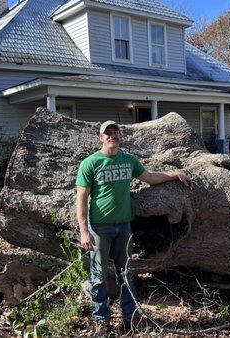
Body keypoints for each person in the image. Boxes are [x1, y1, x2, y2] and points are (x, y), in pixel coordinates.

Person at [76, 120, 193, 336]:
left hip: (124, 226)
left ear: (121, 136)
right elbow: (81, 199)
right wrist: (84, 231)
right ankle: (102, 320)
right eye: (107, 133)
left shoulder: (128, 160)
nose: (112, 136)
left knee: (125, 273)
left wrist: (176, 174)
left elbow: (149, 178)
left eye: (115, 132)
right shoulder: (90, 163)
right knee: (99, 274)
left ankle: (129, 317)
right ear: (101, 138)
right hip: (100, 227)